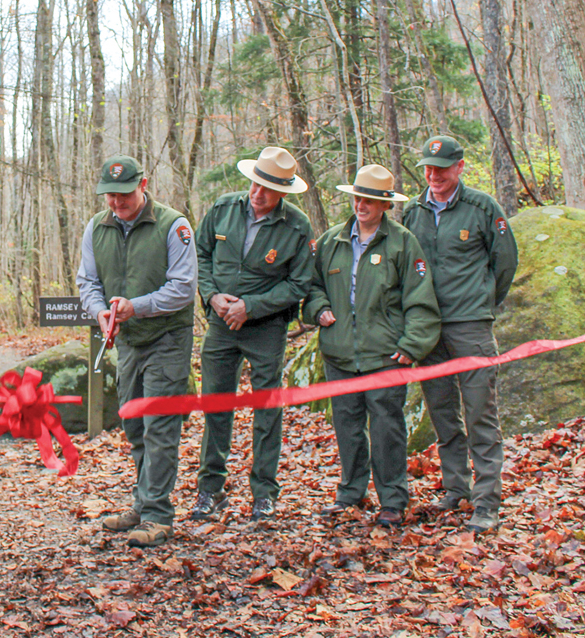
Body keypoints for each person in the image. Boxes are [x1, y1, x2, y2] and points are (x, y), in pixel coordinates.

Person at [302, 164, 440, 528]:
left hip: (385, 355)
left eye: (371, 200)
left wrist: (412, 345)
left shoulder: (402, 242)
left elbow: (420, 298)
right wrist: (320, 310)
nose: (362, 205)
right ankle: (351, 493)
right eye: (358, 198)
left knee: (386, 430)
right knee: (347, 427)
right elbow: (312, 287)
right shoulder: (331, 241)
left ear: (385, 204)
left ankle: (393, 500)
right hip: (340, 352)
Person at [76, 155, 197, 548]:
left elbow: (182, 287)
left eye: (124, 194)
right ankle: (143, 504)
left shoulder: (173, 225)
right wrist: (99, 313)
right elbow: (87, 281)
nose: (116, 202)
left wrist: (136, 306)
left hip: (167, 339)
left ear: (143, 185)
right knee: (132, 423)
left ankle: (159, 515)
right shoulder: (96, 227)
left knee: (159, 425)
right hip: (127, 342)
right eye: (109, 195)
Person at [402, 135, 518, 534]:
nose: (433, 175)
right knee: (442, 412)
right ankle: (456, 488)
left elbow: (505, 263)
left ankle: (487, 502)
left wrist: (482, 302)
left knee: (480, 412)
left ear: (460, 167)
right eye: (428, 168)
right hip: (428, 328)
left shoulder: (482, 208)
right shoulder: (413, 212)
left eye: (441, 168)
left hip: (471, 326)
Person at [191, 147, 314, 522]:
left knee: (266, 408)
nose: (257, 194)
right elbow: (199, 255)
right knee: (215, 404)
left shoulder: (297, 226)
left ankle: (264, 491)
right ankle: (210, 489)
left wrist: (253, 306)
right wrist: (212, 296)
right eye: (255, 184)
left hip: (267, 328)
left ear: (283, 192)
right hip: (221, 324)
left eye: (267, 188)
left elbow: (299, 283)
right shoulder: (223, 209)